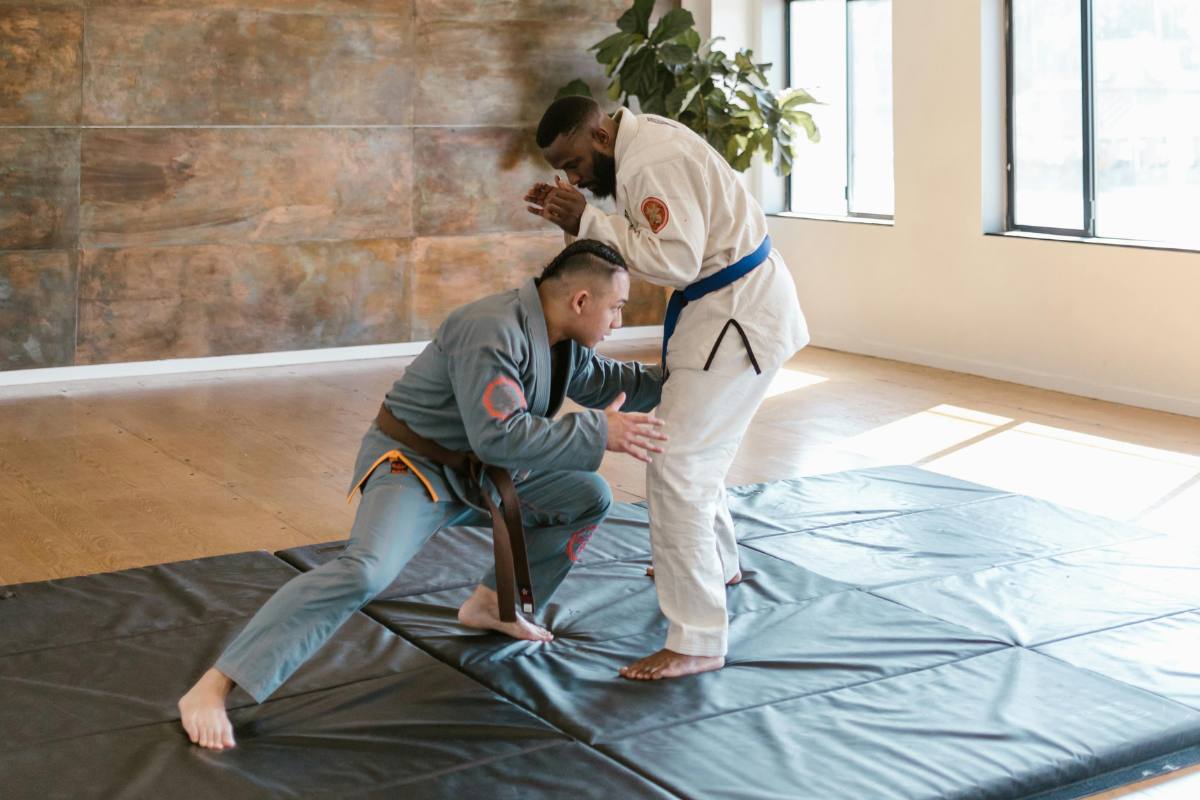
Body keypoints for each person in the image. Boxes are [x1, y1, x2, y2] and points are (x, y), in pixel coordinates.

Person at [178, 239, 667, 749]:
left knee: (586, 495)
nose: (618, 322)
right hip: (414, 469)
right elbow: (498, 434)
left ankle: (494, 607)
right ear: (581, 301)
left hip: (483, 474)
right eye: (616, 308)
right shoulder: (489, 328)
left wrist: (688, 373)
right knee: (367, 569)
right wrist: (598, 431)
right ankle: (213, 687)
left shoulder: (561, 337)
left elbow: (609, 380)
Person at [524, 95, 810, 681]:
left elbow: (675, 259)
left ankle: (699, 639)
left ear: (601, 135)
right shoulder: (639, 146)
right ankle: (720, 564)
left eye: (576, 162)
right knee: (694, 457)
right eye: (566, 169)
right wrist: (577, 217)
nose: (576, 177)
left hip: (737, 318)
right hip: (728, 310)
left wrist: (586, 219)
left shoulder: (649, 161)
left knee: (676, 465)